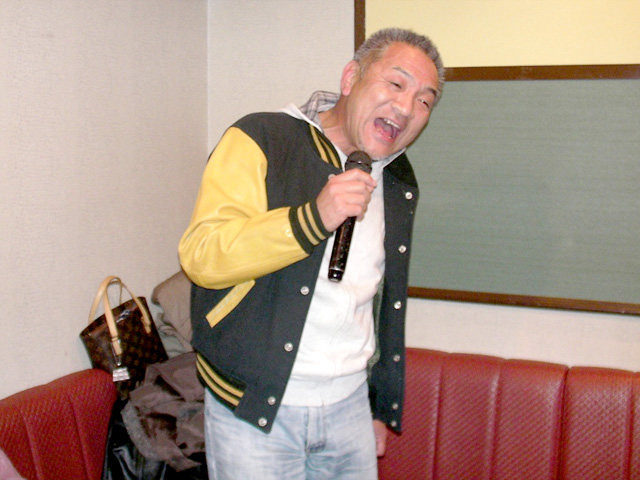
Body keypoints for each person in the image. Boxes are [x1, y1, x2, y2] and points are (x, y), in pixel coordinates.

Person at [178, 27, 445, 480]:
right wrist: (312, 219)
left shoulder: (397, 178)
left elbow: (381, 300)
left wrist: (379, 406)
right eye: (396, 84)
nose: (406, 107)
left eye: (424, 100)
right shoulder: (262, 137)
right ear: (350, 78)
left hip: (350, 409)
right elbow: (201, 255)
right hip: (253, 410)